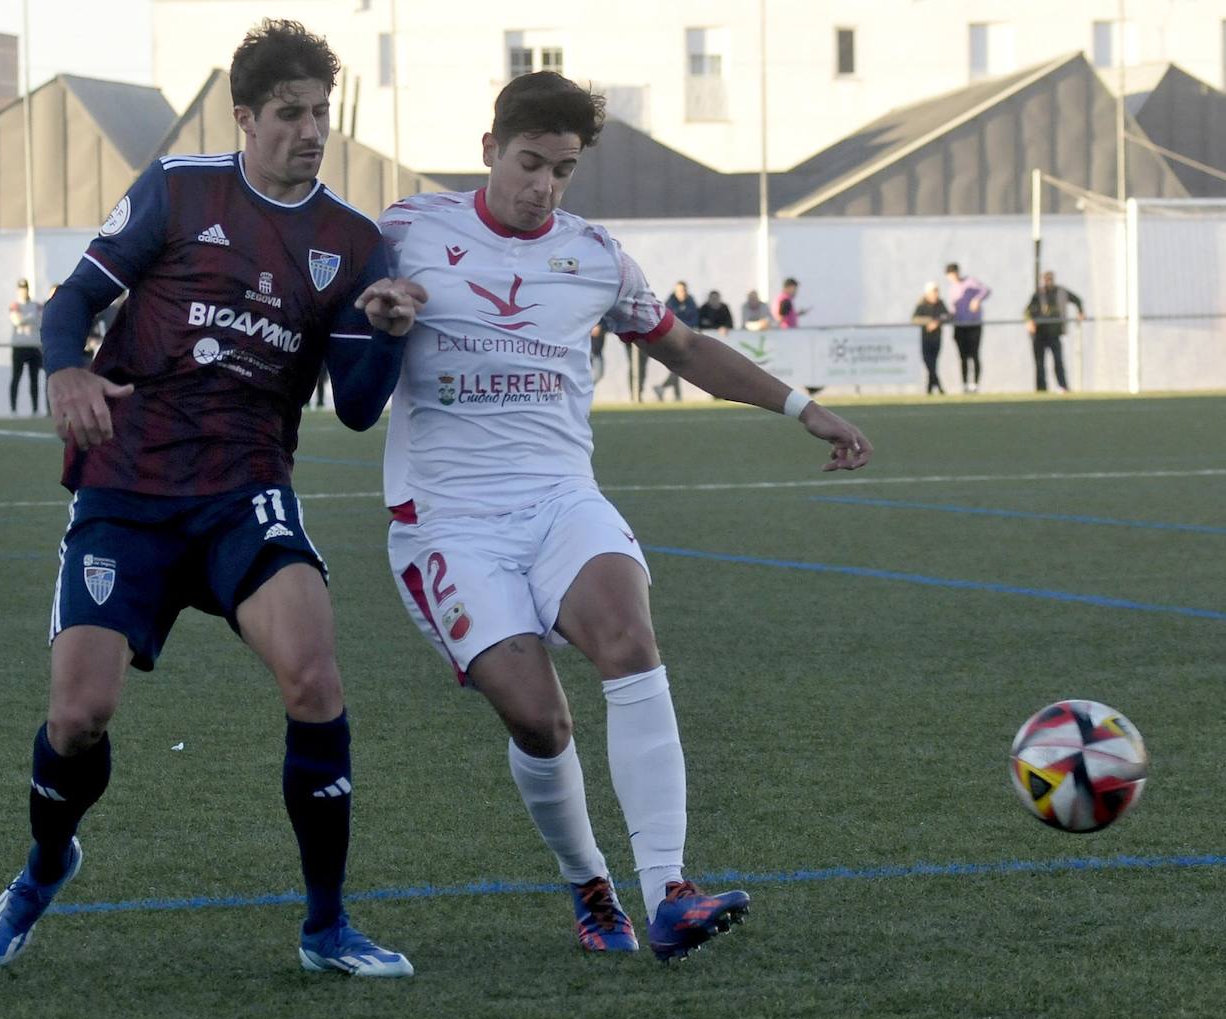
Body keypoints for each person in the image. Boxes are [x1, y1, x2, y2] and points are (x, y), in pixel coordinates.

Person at [372, 70, 871, 963]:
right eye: (530, 163)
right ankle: (590, 882)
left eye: (562, 170)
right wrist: (376, 317)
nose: (544, 187)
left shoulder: (594, 254)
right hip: (449, 523)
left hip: (563, 498)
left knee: (629, 638)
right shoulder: (405, 232)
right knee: (540, 720)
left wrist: (803, 407)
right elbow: (330, 323)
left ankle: (669, 889)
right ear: (489, 150)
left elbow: (683, 348)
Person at [0, 19, 422, 979]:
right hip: (126, 488)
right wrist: (67, 374)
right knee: (77, 715)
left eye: (322, 114)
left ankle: (327, 926)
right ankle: (47, 864)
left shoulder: (352, 243)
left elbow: (355, 408)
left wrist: (382, 330)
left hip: (243, 489)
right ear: (247, 116)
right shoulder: (180, 191)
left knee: (314, 676)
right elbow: (69, 305)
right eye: (292, 114)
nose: (312, 130)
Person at [1024, 270, 1083, 393]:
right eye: (1046, 279)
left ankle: (1063, 386)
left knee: (1058, 361)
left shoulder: (1061, 292)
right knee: (1040, 363)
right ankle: (1041, 389)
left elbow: (1077, 299)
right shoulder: (1038, 294)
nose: (1048, 281)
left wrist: (1081, 312)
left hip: (1054, 333)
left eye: (1050, 278)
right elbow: (1027, 310)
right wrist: (1029, 321)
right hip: (1039, 333)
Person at [944, 263, 990, 392]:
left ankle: (974, 385)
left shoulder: (971, 282)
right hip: (959, 326)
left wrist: (977, 300)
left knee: (974, 355)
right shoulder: (952, 289)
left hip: (974, 325)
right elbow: (953, 309)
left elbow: (986, 290)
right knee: (963, 357)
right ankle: (964, 384)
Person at [655, 280, 698, 400]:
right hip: (672, 338)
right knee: (678, 365)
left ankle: (668, 391)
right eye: (679, 291)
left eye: (684, 290)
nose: (682, 293)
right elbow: (670, 320)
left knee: (678, 366)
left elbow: (694, 318)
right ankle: (669, 391)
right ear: (675, 291)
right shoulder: (670, 304)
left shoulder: (691, 302)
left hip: (686, 337)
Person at [9, 277, 44, 414]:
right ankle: (13, 409)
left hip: (33, 346)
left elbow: (40, 320)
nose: (23, 291)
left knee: (34, 378)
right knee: (16, 377)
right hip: (19, 346)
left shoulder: (36, 305)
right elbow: (16, 321)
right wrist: (31, 317)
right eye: (21, 289)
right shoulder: (15, 305)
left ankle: (35, 409)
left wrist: (26, 318)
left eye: (25, 288)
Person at [911, 282, 948, 395]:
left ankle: (930, 390)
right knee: (928, 363)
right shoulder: (922, 305)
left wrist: (938, 322)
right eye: (933, 291)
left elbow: (947, 315)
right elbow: (915, 319)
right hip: (926, 338)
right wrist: (929, 321)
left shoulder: (940, 304)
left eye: (937, 291)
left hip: (936, 338)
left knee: (933, 363)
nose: (935, 294)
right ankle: (940, 388)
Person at [588, 317, 608, 384]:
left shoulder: (603, 318)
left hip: (597, 352)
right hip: (586, 352)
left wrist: (601, 327)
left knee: (599, 375)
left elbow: (610, 324)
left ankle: (587, 391)